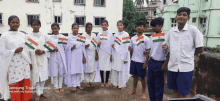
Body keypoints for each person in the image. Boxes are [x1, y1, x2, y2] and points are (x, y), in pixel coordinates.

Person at [162, 7, 204, 98]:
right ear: (176, 17)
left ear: (188, 18)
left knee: (185, 94)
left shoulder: (193, 30)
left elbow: (200, 48)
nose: (181, 16)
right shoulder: (171, 31)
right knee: (175, 92)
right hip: (172, 67)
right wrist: (165, 46)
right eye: (179, 14)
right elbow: (167, 46)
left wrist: (188, 55)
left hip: (185, 68)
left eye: (184, 15)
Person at [0, 15, 32, 101]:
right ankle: (16, 99)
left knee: (25, 79)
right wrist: (14, 51)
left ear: (19, 24)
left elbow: (29, 47)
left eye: (17, 22)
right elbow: (2, 51)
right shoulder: (4, 36)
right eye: (13, 22)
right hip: (12, 63)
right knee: (15, 80)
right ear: (9, 23)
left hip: (24, 62)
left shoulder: (22, 35)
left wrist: (30, 61)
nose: (15, 24)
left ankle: (25, 98)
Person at [27, 19, 50, 101]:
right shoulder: (29, 36)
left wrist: (44, 50)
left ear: (40, 26)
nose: (36, 26)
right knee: (36, 77)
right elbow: (27, 47)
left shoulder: (44, 35)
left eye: (37, 24)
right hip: (34, 59)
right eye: (34, 24)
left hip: (43, 58)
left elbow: (49, 45)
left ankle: (41, 92)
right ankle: (38, 94)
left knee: (43, 77)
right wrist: (34, 51)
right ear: (31, 26)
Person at [146, 17, 168, 101]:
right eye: (152, 26)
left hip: (160, 63)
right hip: (151, 62)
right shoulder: (152, 36)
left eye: (155, 26)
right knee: (150, 83)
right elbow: (150, 49)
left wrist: (165, 64)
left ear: (161, 26)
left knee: (158, 84)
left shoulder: (165, 36)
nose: (153, 28)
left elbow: (168, 51)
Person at [127, 21, 150, 99]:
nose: (139, 27)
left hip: (142, 61)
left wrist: (146, 62)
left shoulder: (146, 39)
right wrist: (129, 48)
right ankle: (134, 90)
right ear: (136, 27)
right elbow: (130, 48)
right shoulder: (133, 38)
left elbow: (148, 51)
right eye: (138, 26)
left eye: (141, 26)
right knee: (135, 76)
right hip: (133, 60)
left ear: (144, 28)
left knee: (143, 78)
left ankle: (143, 93)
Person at [64, 23, 87, 91]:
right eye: (74, 28)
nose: (75, 29)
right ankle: (74, 85)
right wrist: (71, 48)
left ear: (78, 29)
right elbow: (66, 48)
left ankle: (78, 84)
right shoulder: (68, 38)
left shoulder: (81, 37)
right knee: (73, 70)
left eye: (77, 28)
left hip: (79, 56)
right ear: (72, 29)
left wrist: (84, 57)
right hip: (72, 57)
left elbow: (83, 48)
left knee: (79, 70)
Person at [111, 20, 130, 90]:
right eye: (118, 25)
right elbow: (114, 44)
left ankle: (122, 84)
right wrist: (113, 46)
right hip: (116, 54)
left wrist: (125, 58)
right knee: (115, 69)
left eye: (121, 25)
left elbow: (127, 46)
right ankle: (115, 83)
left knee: (122, 70)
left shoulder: (126, 34)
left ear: (123, 26)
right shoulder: (115, 35)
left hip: (123, 55)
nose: (119, 26)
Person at [48, 23, 67, 93]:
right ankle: (56, 87)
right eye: (53, 29)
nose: (55, 30)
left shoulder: (62, 37)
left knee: (61, 71)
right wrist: (52, 49)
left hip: (61, 56)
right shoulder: (50, 38)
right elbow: (47, 47)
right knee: (55, 71)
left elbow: (66, 47)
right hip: (53, 56)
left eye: (56, 28)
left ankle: (60, 86)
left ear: (59, 28)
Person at [96, 20, 114, 88]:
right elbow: (96, 44)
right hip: (101, 53)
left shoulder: (110, 34)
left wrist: (111, 54)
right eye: (103, 25)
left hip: (108, 53)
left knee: (108, 68)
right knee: (101, 67)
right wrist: (98, 44)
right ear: (101, 26)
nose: (104, 26)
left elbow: (112, 45)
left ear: (107, 25)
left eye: (105, 24)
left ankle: (106, 82)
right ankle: (102, 82)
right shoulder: (99, 34)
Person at [82, 22, 99, 88]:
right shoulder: (83, 35)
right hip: (86, 52)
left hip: (93, 53)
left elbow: (96, 45)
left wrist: (96, 53)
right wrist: (85, 45)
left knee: (92, 68)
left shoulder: (94, 35)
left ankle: (91, 81)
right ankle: (87, 82)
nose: (90, 28)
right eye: (88, 27)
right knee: (86, 68)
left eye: (91, 27)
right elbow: (81, 44)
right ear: (86, 28)